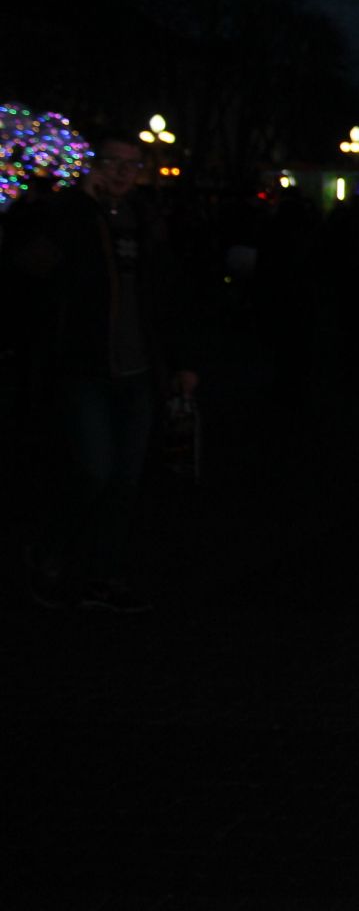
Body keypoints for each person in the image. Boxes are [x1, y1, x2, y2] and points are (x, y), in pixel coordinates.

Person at [28, 134, 198, 612]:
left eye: (132, 164)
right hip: (84, 365)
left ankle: (103, 574)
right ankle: (51, 553)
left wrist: (182, 360)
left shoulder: (146, 219)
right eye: (112, 162)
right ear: (94, 165)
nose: (122, 173)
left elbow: (166, 293)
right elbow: (35, 266)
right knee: (93, 471)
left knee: (125, 481)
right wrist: (81, 203)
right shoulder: (69, 213)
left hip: (137, 369)